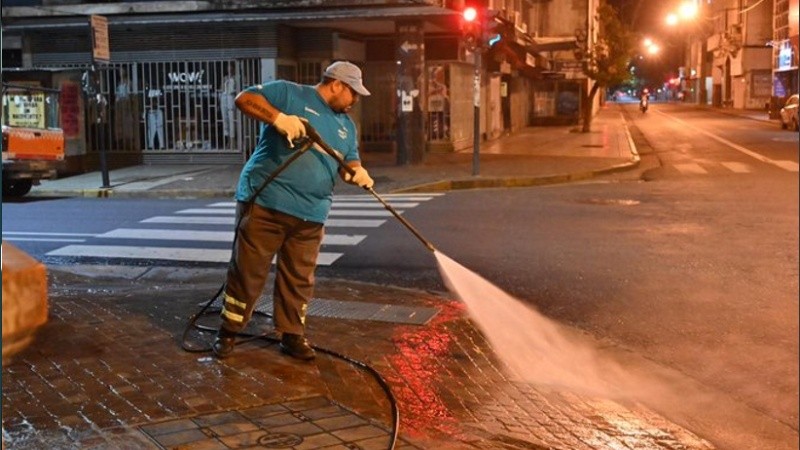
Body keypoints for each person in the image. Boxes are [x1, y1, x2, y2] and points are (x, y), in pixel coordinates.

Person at [213, 61, 373, 360]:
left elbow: (349, 160)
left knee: (298, 278)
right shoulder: (289, 93)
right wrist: (278, 118)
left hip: (311, 214)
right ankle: (229, 330)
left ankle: (292, 334)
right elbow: (244, 99)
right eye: (353, 93)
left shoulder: (347, 127)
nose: (355, 101)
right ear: (336, 84)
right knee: (248, 272)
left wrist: (356, 171)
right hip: (266, 203)